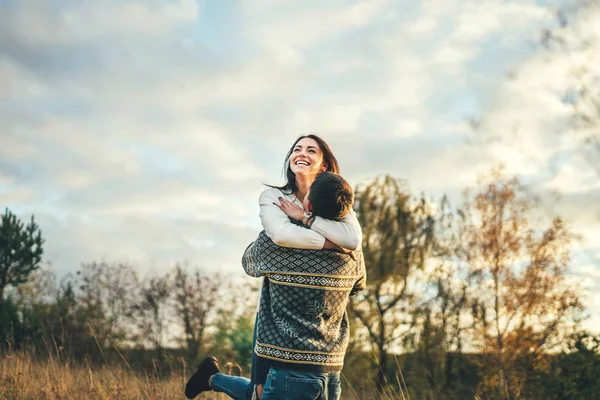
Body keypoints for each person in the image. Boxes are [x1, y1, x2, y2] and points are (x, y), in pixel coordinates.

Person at [185, 135, 364, 399]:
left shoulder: (339, 206)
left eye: (311, 150)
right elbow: (356, 275)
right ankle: (212, 378)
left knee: (259, 395)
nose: (301, 153)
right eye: (297, 148)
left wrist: (304, 220)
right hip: (291, 337)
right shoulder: (276, 198)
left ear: (325, 165)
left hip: (295, 344)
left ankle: (211, 378)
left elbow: (253, 259)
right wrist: (331, 245)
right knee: (259, 392)